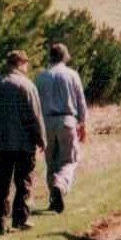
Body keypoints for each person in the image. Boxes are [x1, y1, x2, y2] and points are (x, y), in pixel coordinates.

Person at [0, 50, 45, 234]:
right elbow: (35, 116)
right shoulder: (27, 86)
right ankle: (20, 220)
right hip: (23, 143)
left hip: (0, 142)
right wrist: (41, 139)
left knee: (1, 182)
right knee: (23, 181)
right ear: (21, 63)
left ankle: (0, 222)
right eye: (26, 64)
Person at [34, 41, 88, 213]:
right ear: (65, 56)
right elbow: (80, 101)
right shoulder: (72, 75)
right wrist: (83, 124)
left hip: (46, 123)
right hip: (67, 120)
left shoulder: (40, 77)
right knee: (69, 160)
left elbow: (35, 104)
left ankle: (54, 198)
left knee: (51, 162)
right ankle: (60, 186)